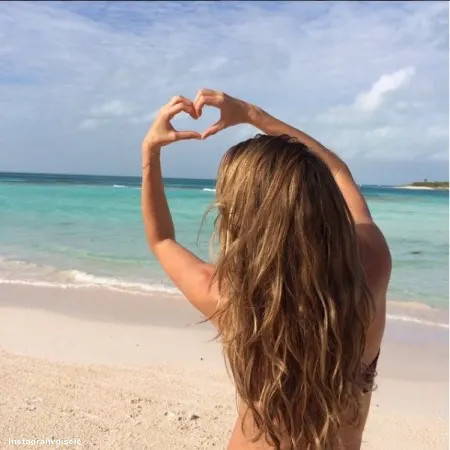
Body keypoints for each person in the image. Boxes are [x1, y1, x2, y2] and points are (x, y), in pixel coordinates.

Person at [140, 89, 391, 450]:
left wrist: (150, 153)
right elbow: (337, 169)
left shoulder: (231, 297)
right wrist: (253, 114)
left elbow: (162, 239)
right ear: (322, 197)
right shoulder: (371, 263)